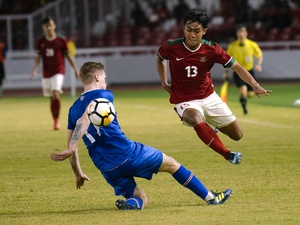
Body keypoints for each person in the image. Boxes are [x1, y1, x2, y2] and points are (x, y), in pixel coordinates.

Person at [50, 61, 233, 210]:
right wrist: (72, 147)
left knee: (139, 197)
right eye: (104, 77)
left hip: (106, 166)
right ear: (97, 77)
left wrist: (78, 173)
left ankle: (131, 204)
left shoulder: (72, 110)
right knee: (172, 164)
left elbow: (71, 147)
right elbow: (87, 117)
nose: (105, 81)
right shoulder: (103, 94)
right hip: (126, 153)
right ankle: (211, 197)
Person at [156, 9, 271, 165]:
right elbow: (160, 57)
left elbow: (237, 67)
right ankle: (227, 154)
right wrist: (164, 82)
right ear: (183, 29)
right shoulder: (171, 46)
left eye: (197, 31)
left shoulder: (212, 49)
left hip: (209, 97)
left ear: (204, 31)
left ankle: (208, 125)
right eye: (189, 30)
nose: (192, 34)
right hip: (185, 99)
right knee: (195, 118)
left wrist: (255, 85)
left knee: (237, 135)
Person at [30, 16, 79, 130]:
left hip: (59, 70)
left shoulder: (61, 40)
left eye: (50, 25)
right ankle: (55, 119)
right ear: (43, 27)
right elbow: (38, 57)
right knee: (51, 97)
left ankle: (57, 121)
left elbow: (68, 55)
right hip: (46, 72)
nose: (48, 28)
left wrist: (76, 69)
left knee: (56, 92)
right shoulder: (41, 41)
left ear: (54, 26)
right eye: (46, 26)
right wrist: (35, 70)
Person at [224, 24, 263, 114]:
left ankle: (244, 100)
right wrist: (226, 72)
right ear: (237, 34)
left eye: (243, 31)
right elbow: (226, 59)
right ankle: (245, 109)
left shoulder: (252, 45)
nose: (241, 34)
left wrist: (259, 64)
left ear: (246, 33)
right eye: (239, 31)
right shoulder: (232, 46)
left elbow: (260, 55)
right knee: (243, 90)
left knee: (250, 94)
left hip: (249, 71)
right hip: (238, 72)